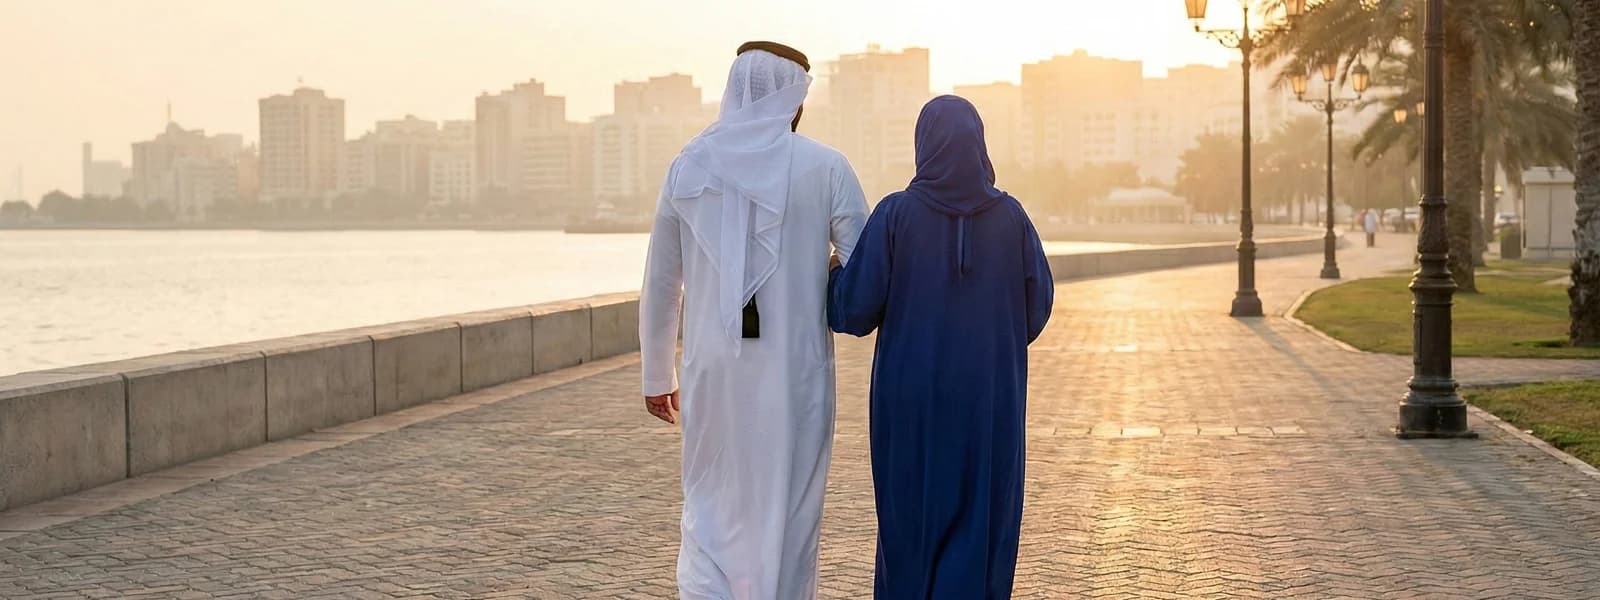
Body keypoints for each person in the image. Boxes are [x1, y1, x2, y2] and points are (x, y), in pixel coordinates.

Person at [638, 41, 869, 600]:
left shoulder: (689, 164)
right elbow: (869, 261)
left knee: (712, 499)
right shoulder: (826, 166)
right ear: (794, 99)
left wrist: (656, 375)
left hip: (712, 372)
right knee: (788, 503)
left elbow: (662, 280)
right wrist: (826, 269)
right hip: (795, 373)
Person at [828, 95, 1054, 599]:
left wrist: (833, 274)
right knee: (984, 511)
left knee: (910, 515)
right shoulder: (1012, 218)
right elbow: (1037, 307)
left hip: (910, 402)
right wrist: (990, 336)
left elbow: (853, 311)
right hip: (988, 400)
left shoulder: (894, 215)